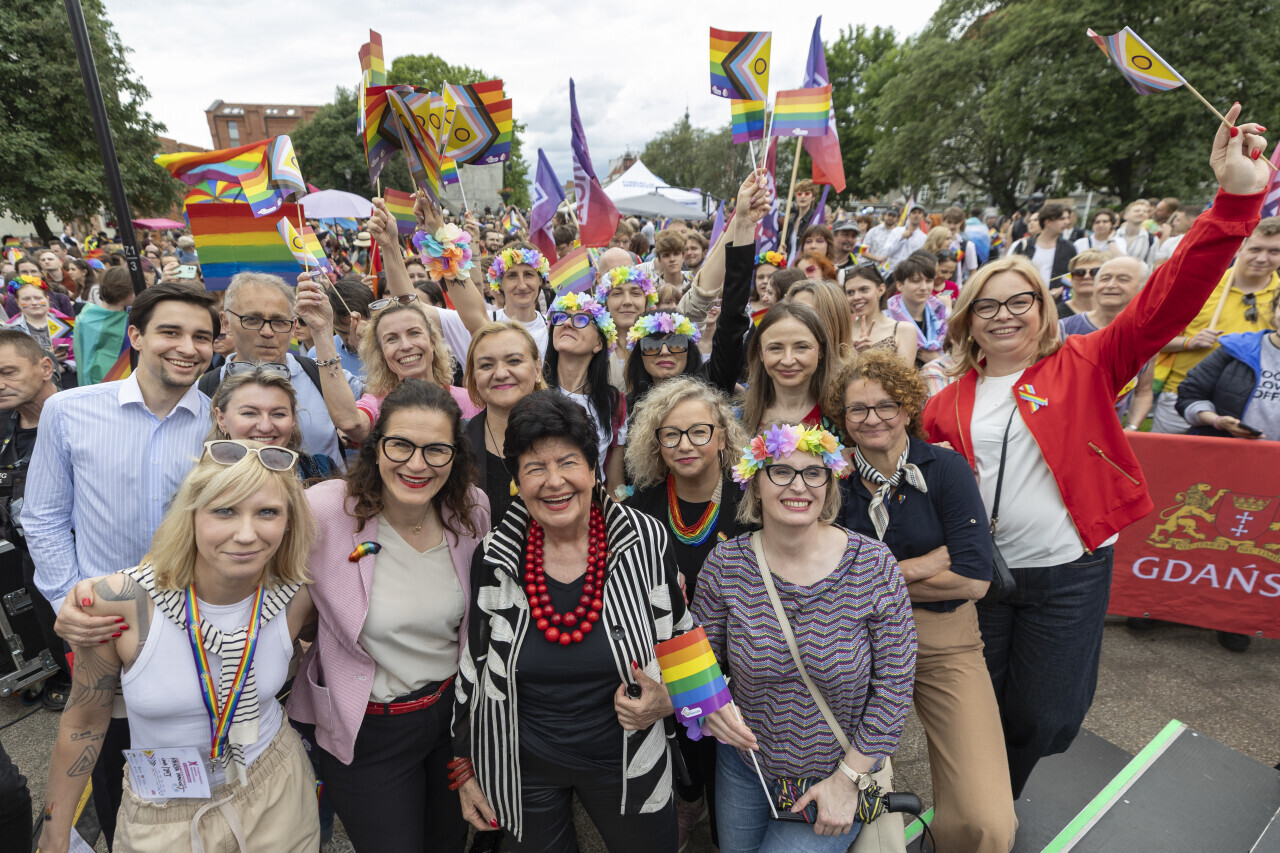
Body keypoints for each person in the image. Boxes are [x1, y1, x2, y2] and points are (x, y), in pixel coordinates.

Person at [921, 105, 1270, 797]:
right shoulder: (945, 402)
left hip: (1068, 574)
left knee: (1045, 717)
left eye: (1019, 301)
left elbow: (1169, 299)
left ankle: (995, 800)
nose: (1003, 315)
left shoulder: (1087, 361)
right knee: (980, 712)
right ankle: (986, 817)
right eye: (986, 306)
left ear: (1042, 308)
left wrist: (1233, 202)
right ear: (967, 321)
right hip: (984, 578)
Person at [451, 391, 753, 851]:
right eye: (535, 468)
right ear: (517, 480)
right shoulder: (496, 554)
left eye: (568, 463)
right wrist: (464, 766)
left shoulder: (644, 538)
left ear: (594, 469)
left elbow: (679, 630)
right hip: (523, 762)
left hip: (629, 755)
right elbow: (474, 663)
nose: (554, 482)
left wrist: (674, 700)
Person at [41, 441, 322, 853]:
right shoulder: (121, 602)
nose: (246, 534)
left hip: (276, 792)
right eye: (224, 511)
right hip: (162, 810)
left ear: (289, 521)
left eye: (267, 512)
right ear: (190, 515)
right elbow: (83, 721)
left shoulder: (296, 597)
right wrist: (55, 833)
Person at [27, 281, 220, 846]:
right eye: (170, 332)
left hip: (196, 631)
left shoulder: (221, 425)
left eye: (202, 337)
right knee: (113, 772)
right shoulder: (69, 411)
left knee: (197, 783)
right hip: (106, 631)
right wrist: (71, 599)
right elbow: (43, 516)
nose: (187, 347)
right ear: (135, 335)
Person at [288, 379, 490, 852]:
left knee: (447, 844)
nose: (417, 464)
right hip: (368, 730)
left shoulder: (471, 510)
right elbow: (268, 599)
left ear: (455, 456)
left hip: (450, 720)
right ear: (376, 447)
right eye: (400, 445)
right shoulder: (327, 510)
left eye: (436, 450)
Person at [693, 421, 916, 850]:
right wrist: (707, 706)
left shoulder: (873, 565)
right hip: (745, 768)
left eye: (813, 473)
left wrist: (848, 780)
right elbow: (699, 658)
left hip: (835, 773)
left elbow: (895, 684)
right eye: (781, 471)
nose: (799, 485)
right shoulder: (726, 564)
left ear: (828, 485)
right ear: (756, 485)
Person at [829, 351, 1015, 852]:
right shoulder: (831, 480)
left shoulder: (945, 468)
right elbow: (827, 580)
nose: (872, 418)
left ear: (908, 408)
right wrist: (922, 565)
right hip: (851, 642)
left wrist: (869, 579)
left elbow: (972, 581)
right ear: (842, 417)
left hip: (943, 640)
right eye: (858, 408)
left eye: (885, 405)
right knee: (858, 810)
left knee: (986, 820)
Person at [623, 377, 750, 848]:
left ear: (723, 436)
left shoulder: (752, 498)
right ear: (656, 444)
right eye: (671, 434)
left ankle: (722, 813)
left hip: (741, 645)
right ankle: (688, 798)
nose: (685, 444)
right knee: (680, 737)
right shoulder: (641, 505)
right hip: (667, 650)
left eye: (699, 431)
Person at [199, 272, 362, 468]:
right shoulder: (204, 389)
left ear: (293, 326)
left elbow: (369, 419)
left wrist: (325, 332)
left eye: (279, 322)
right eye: (252, 319)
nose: (267, 332)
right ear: (225, 323)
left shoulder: (322, 375)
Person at [1152, 215, 1280, 434]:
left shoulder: (1278, 298)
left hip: (1249, 407)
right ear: (1240, 248)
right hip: (1181, 396)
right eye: (1255, 249)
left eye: (1274, 251)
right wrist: (1188, 342)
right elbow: (1152, 340)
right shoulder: (1199, 286)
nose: (1262, 258)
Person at [0, 331, 70, 709]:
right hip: (32, 550)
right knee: (52, 625)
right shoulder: (3, 424)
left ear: (45, 368)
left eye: (8, 372)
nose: (0, 384)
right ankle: (67, 675)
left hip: (86, 546)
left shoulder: (84, 415)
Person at [542, 290, 627, 493]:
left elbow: (615, 485)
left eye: (581, 319)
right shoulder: (533, 391)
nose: (567, 323)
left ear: (599, 344)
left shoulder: (615, 403)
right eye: (560, 317)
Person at [1059, 256, 1156, 430]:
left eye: (1123, 279)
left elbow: (1143, 392)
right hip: (1061, 431)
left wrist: (1131, 427)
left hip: (1106, 437)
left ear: (1143, 288)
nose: (1111, 285)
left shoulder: (1147, 338)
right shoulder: (1062, 329)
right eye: (1105, 278)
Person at [463, 322, 546, 524]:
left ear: (537, 370)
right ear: (474, 377)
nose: (500, 373)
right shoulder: (455, 444)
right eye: (486, 365)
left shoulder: (571, 435)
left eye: (514, 361)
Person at [1177, 289, 1280, 440]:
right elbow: (1189, 396)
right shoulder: (1237, 348)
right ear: (1275, 308)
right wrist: (1217, 421)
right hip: (1225, 449)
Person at [206, 366, 336, 481]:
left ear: (293, 419)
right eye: (249, 413)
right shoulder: (204, 484)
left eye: (278, 414)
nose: (265, 427)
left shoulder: (321, 471)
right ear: (221, 419)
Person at [741, 302, 840, 435]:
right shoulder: (737, 418)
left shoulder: (844, 417)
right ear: (760, 354)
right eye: (775, 348)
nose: (788, 361)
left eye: (801, 347)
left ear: (821, 351)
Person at [596, 264, 658, 389]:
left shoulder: (661, 344)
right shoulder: (593, 346)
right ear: (605, 302)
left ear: (646, 301)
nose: (627, 302)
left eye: (635, 293)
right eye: (617, 293)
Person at [844, 265, 917, 365]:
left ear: (881, 290)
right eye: (850, 292)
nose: (856, 297)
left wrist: (870, 356)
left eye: (864, 289)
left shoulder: (904, 330)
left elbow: (905, 373)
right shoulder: (842, 333)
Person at [73, 266, 134, 386]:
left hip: (128, 380)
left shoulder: (131, 315)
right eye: (133, 289)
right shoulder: (86, 319)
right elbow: (84, 361)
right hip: (103, 383)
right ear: (125, 292)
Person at [886, 251, 948, 364]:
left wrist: (936, 360)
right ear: (899, 285)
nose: (924, 287)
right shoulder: (887, 316)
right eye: (916, 281)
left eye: (929, 281)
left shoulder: (941, 310)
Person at [306, 276, 373, 375]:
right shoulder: (317, 355)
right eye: (343, 332)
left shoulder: (388, 347)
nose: (352, 341)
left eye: (357, 330)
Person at [1014, 202, 1075, 294]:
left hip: (1053, 301)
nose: (1067, 222)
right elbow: (1012, 273)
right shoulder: (1024, 246)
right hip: (1025, 298)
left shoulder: (1069, 248)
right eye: (1062, 218)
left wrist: (1061, 290)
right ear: (1047, 222)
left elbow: (1074, 277)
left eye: (1068, 218)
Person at [788, 279, 853, 358]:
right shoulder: (783, 359)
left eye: (807, 312)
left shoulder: (856, 365)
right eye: (793, 311)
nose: (794, 318)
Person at [884, 205, 928, 271]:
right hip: (893, 271)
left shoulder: (924, 238)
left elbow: (921, 258)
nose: (916, 215)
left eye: (919, 213)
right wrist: (901, 237)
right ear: (909, 216)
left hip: (911, 271)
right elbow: (887, 251)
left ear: (923, 217)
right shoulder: (896, 231)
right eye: (914, 213)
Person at [1116, 200, 1159, 265]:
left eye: (1145, 211)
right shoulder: (1113, 234)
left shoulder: (1152, 239)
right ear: (1125, 216)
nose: (1141, 213)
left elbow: (1150, 265)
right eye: (1137, 211)